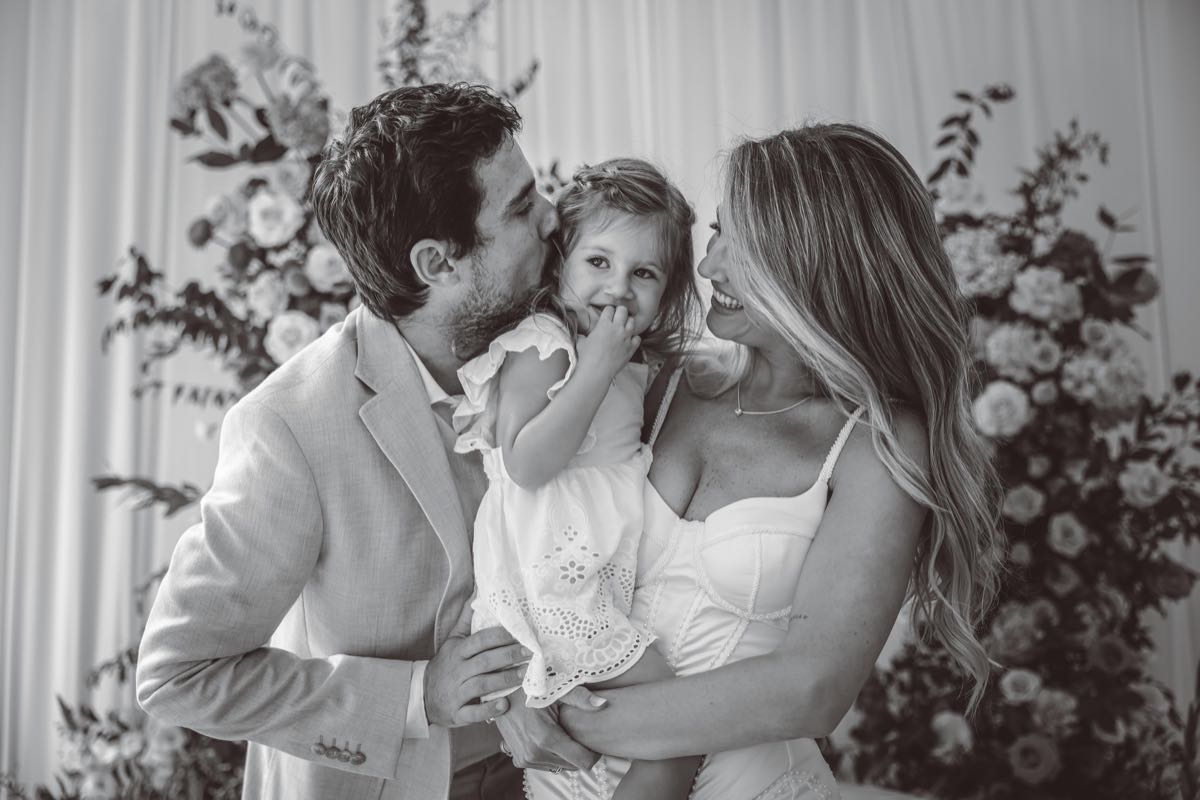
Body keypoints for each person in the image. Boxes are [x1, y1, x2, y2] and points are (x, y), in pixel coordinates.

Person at [136, 83, 598, 800]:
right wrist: (419, 695)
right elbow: (178, 674)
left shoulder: (573, 335)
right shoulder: (290, 425)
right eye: (519, 207)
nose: (552, 216)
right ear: (437, 264)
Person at [514, 123, 1005, 799]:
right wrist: (510, 696)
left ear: (817, 266)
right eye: (717, 233)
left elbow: (812, 688)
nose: (708, 267)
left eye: (743, 248)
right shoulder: (651, 380)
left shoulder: (878, 444)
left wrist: (562, 714)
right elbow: (526, 534)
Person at [452, 159, 702, 798]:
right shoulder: (546, 343)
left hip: (589, 571)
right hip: (550, 581)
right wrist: (593, 369)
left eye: (644, 273)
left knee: (646, 735)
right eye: (599, 262)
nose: (618, 287)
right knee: (674, 720)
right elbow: (525, 464)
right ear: (560, 260)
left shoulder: (628, 359)